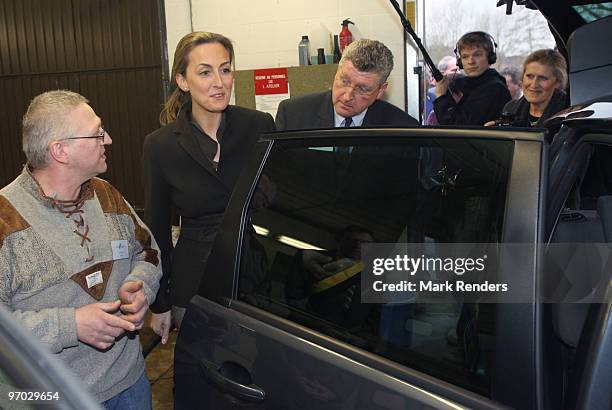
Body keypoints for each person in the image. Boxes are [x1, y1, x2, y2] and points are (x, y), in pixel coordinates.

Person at [0, 90, 161, 407]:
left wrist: (138, 287)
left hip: (130, 385)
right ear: (60, 150)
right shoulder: (6, 220)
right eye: (97, 132)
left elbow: (147, 252)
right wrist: (69, 326)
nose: (109, 139)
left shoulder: (107, 195)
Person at [143, 32, 275, 343]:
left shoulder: (259, 126)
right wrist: (160, 303)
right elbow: (157, 230)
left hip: (256, 276)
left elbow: (281, 198)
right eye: (205, 72)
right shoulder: (160, 146)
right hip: (194, 283)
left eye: (225, 69)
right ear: (183, 81)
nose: (219, 81)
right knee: (203, 378)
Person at [275, 39, 418, 130]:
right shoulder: (293, 116)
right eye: (344, 81)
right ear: (336, 72)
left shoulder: (403, 129)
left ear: (380, 91)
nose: (347, 96)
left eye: (362, 89)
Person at [434, 31, 511, 126]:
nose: (471, 61)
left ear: (490, 57)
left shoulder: (494, 88)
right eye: (465, 57)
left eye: (477, 55)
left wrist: (441, 96)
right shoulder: (468, 84)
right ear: (460, 61)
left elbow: (456, 126)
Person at [491, 49, 568, 127]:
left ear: (558, 82)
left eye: (542, 78)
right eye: (530, 76)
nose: (534, 85)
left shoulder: (570, 116)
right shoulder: (510, 109)